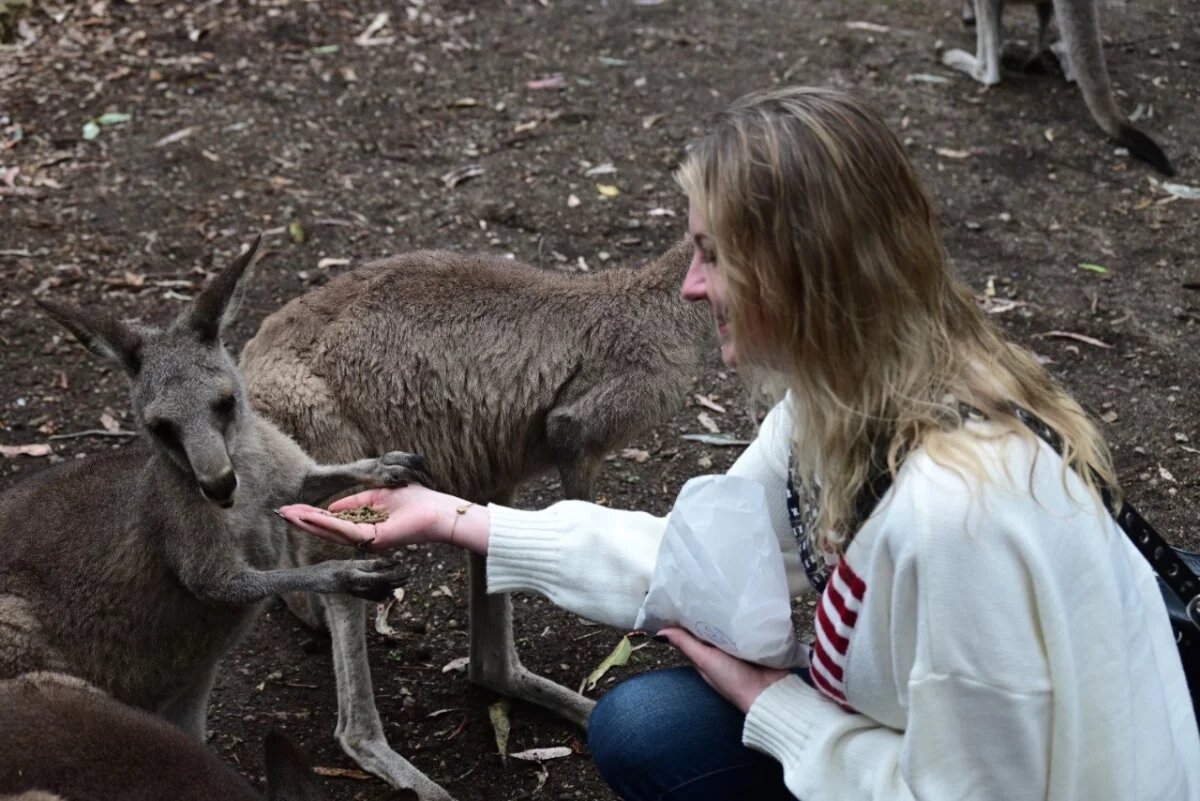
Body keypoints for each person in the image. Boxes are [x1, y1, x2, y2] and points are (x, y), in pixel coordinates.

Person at [278, 87, 1200, 800]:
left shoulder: (959, 515)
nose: (690, 286)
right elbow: (703, 559)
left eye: (713, 256)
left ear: (799, 270)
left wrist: (775, 710)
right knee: (647, 721)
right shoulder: (837, 402)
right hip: (910, 725)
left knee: (661, 722)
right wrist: (452, 516)